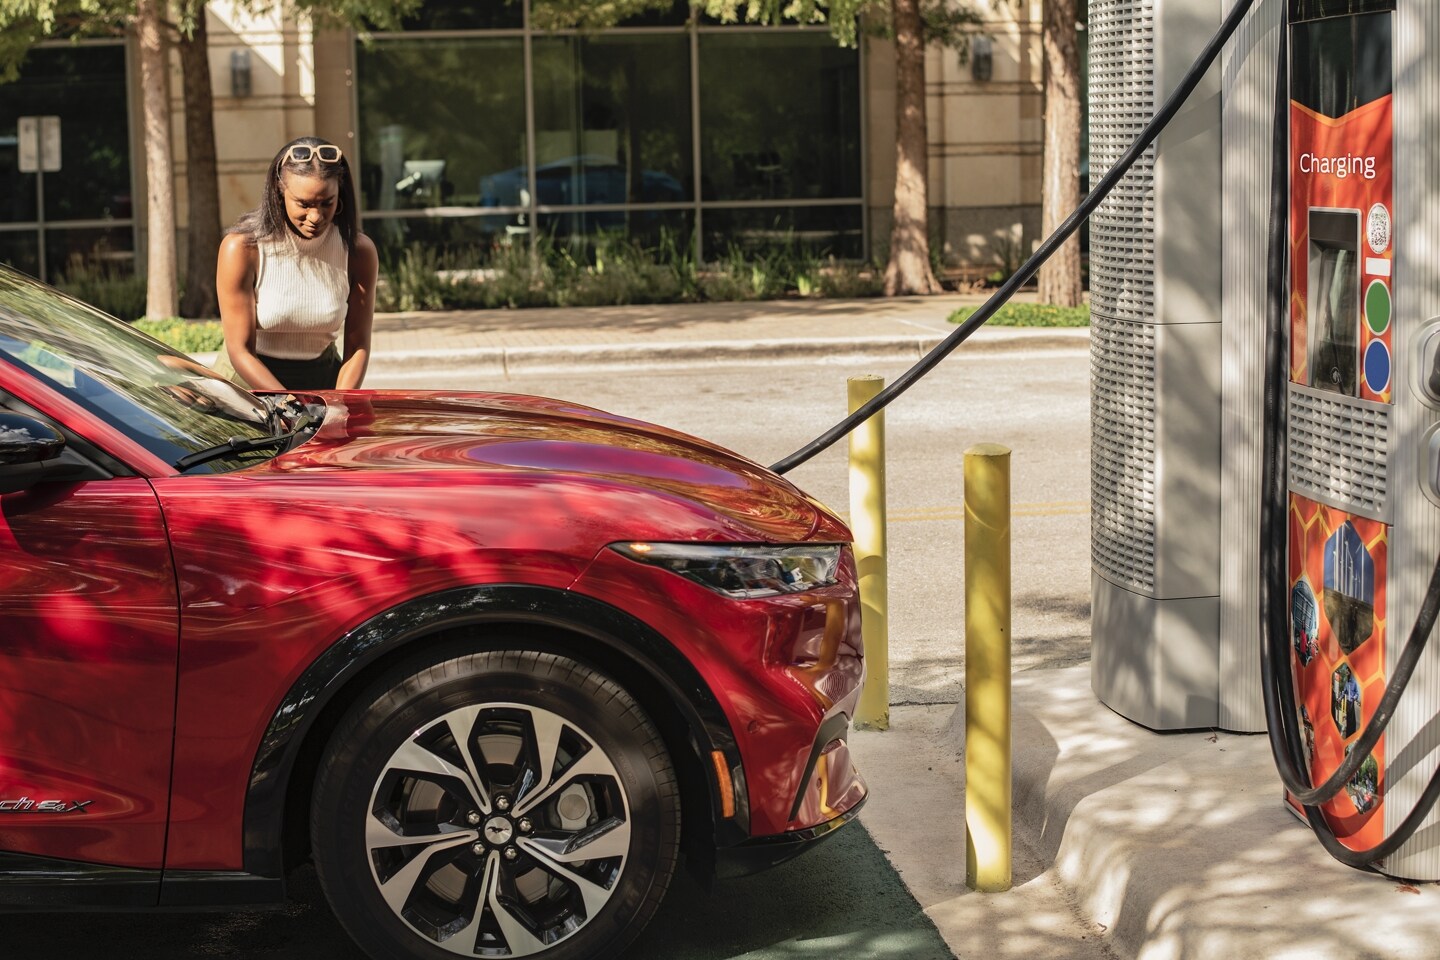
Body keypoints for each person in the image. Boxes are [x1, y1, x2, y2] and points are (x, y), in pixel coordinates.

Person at [214, 137, 378, 391]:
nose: (316, 216)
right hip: (247, 385)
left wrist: (341, 401)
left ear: (340, 194)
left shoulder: (358, 251)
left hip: (323, 384)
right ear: (279, 192)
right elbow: (240, 350)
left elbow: (357, 348)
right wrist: (287, 404)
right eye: (304, 204)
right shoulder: (243, 249)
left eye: (327, 203)